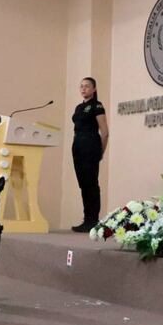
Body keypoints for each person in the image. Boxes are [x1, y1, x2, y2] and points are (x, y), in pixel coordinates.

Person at [71, 77, 109, 232]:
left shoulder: (97, 106)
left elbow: (105, 132)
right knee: (83, 184)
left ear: (94, 89)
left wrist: (101, 152)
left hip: (90, 146)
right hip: (78, 146)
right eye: (81, 86)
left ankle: (93, 220)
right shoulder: (79, 107)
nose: (83, 89)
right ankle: (86, 219)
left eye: (87, 86)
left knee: (91, 183)